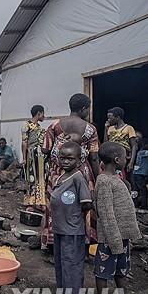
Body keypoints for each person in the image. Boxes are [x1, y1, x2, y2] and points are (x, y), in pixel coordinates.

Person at [94, 142, 145, 294]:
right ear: (117, 160)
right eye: (125, 157)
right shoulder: (104, 181)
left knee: (122, 270)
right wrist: (114, 239)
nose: (127, 159)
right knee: (103, 271)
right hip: (110, 237)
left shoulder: (116, 178)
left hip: (122, 236)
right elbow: (106, 213)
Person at [41, 93, 100, 248]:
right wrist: (97, 178)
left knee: (56, 204)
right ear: (83, 108)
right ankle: (83, 240)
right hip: (81, 173)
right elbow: (94, 157)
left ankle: (53, 240)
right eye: (88, 109)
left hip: (57, 174)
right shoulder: (90, 129)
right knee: (81, 205)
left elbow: (45, 150)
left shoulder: (54, 125)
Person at [50, 142, 92, 294]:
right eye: (62, 158)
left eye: (70, 158)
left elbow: (86, 203)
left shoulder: (78, 178)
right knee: (61, 263)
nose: (65, 161)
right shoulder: (61, 177)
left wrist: (73, 217)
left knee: (72, 265)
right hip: (60, 229)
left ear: (79, 159)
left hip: (72, 231)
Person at [22, 105, 46, 210]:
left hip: (40, 156)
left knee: (40, 178)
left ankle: (39, 202)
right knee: (31, 177)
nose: (44, 116)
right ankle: (30, 203)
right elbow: (24, 143)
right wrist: (24, 158)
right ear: (39, 113)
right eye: (43, 113)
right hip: (31, 155)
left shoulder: (40, 128)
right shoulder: (26, 125)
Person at [104, 107, 138, 174]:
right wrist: (105, 129)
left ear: (118, 117)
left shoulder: (129, 128)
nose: (108, 120)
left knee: (124, 178)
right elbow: (106, 143)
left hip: (125, 158)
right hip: (112, 158)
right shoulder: (110, 129)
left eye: (110, 117)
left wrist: (131, 162)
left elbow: (134, 146)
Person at [133, 142, 148, 211]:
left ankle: (136, 205)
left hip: (137, 173)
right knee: (143, 191)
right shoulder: (144, 152)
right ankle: (143, 206)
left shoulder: (139, 152)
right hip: (140, 174)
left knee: (137, 190)